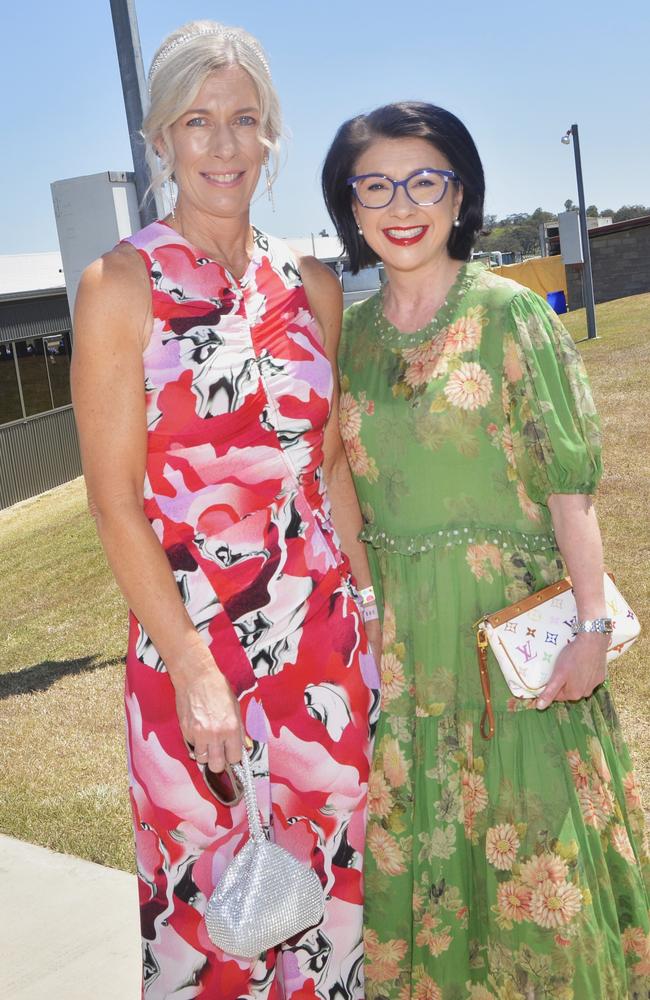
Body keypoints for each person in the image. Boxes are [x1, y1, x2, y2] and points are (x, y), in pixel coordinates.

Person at [71, 21, 380, 999]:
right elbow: (116, 502)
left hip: (324, 648)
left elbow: (328, 467)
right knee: (217, 930)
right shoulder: (120, 287)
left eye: (244, 120)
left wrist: (375, 619)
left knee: (336, 911)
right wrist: (198, 673)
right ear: (160, 138)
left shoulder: (313, 285)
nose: (222, 145)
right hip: (193, 658)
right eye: (197, 121)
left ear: (269, 136)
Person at [322, 102, 650, 999]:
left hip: (514, 641)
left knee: (539, 857)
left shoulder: (508, 314)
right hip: (412, 653)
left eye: (425, 179)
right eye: (375, 184)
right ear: (348, 205)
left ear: (460, 194)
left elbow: (567, 484)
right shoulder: (345, 338)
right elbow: (335, 476)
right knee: (427, 852)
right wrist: (374, 604)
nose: (402, 202)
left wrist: (592, 624)